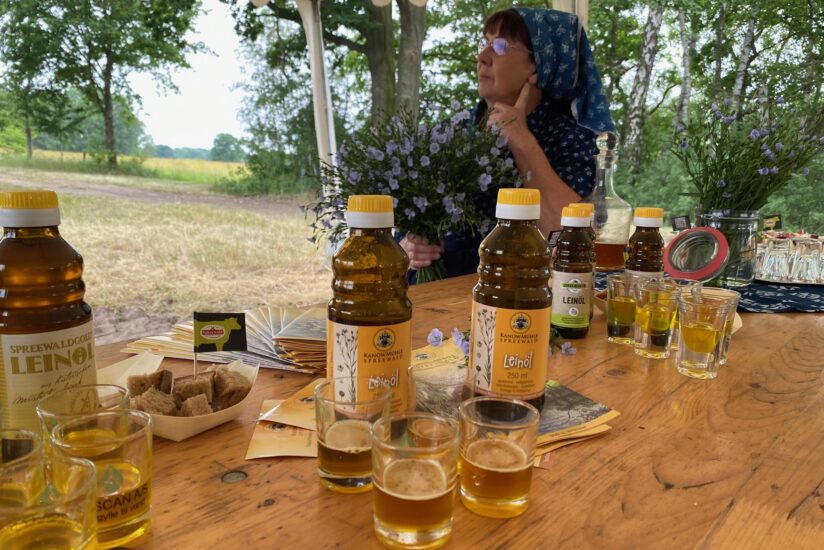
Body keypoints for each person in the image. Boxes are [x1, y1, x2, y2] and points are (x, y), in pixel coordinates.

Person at [400, 7, 615, 280]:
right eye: (484, 43)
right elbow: (406, 223)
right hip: (437, 293)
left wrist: (522, 141)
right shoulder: (447, 132)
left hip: (521, 293)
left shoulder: (572, 138)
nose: (482, 57)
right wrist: (408, 248)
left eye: (500, 46)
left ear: (539, 63)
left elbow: (569, 241)